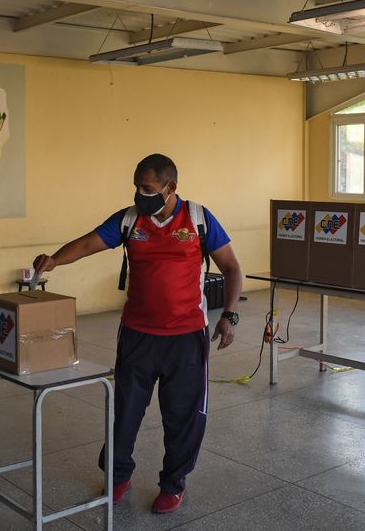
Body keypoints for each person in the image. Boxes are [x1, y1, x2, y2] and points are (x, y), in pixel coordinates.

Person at [32, 153, 242, 514]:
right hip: (137, 336)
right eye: (136, 187)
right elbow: (87, 243)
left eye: (147, 188)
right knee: (125, 412)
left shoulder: (199, 219)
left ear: (170, 187)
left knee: (183, 416)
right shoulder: (129, 220)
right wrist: (54, 260)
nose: (139, 194)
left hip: (186, 338)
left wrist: (229, 315)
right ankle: (118, 476)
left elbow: (232, 267)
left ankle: (173, 484)